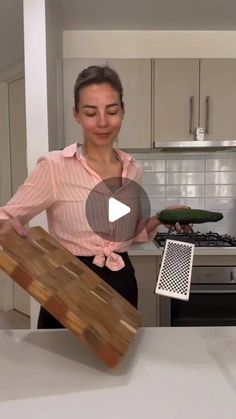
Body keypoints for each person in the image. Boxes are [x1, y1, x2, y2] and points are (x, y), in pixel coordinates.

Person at [0, 65, 187, 328]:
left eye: (111, 111)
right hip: (69, 282)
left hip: (121, 280)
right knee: (62, 364)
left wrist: (160, 218)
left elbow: (128, 234)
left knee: (115, 361)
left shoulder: (133, 169)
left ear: (122, 112)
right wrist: (8, 228)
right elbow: (6, 216)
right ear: (77, 115)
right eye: (91, 112)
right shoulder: (55, 166)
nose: (102, 122)